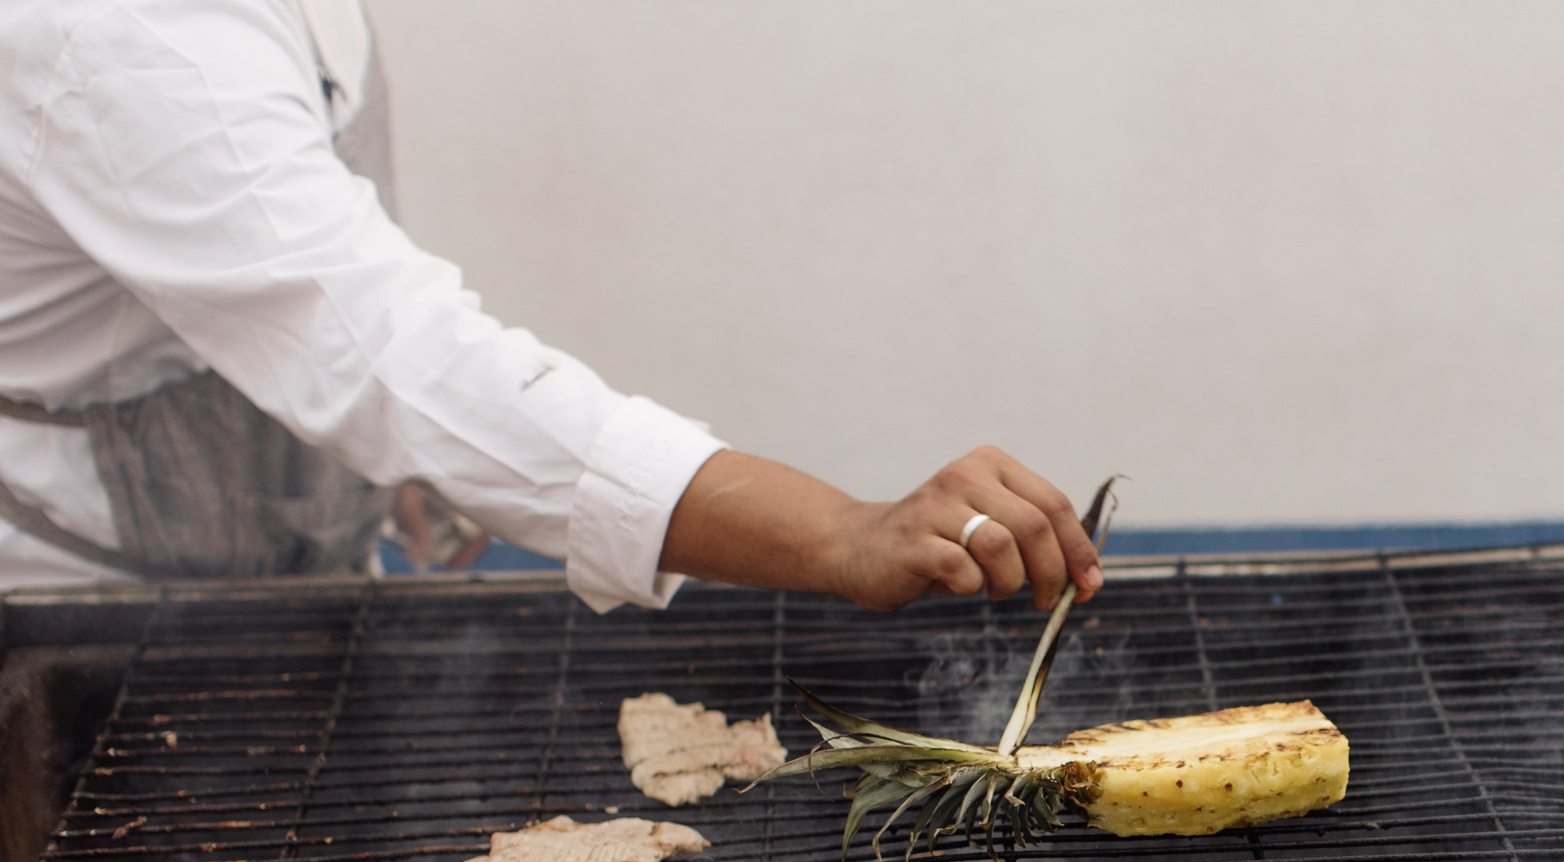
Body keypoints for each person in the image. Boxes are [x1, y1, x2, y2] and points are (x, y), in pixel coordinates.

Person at [0, 0, 1102, 614]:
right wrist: (840, 530)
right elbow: (387, 351)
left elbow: (295, 241)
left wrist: (394, 463)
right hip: (90, 593)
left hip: (262, 519)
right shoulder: (120, 33)